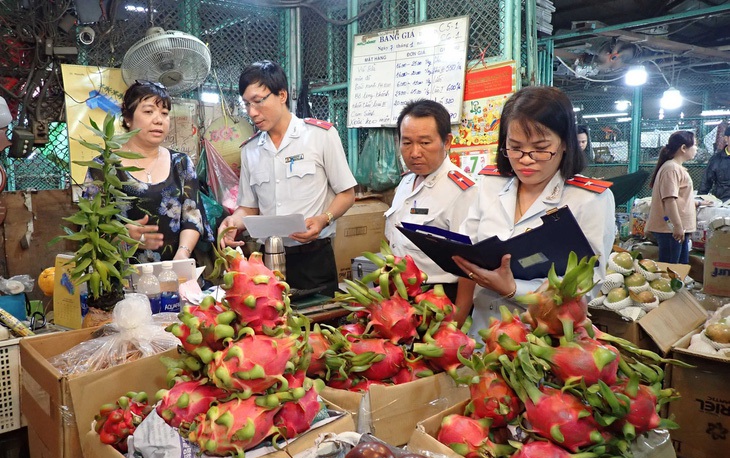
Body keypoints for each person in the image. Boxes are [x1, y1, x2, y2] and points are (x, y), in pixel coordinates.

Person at [452, 86, 616, 331]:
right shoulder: (489, 184)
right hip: (483, 333)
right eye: (515, 148)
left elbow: (586, 284)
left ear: (565, 144)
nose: (526, 159)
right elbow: (468, 246)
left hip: (540, 339)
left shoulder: (589, 199)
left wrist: (514, 290)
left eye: (540, 149)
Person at [218, 60, 356, 297]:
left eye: (259, 101)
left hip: (313, 259)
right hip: (265, 262)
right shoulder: (250, 150)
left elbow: (347, 193)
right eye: (247, 104)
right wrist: (233, 223)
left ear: (281, 95)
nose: (252, 112)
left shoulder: (320, 136)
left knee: (318, 330)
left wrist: (324, 218)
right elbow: (248, 208)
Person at [84, 80, 213, 263]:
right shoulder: (104, 167)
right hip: (123, 279)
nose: (159, 120)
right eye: (148, 111)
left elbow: (193, 217)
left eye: (164, 113)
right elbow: (90, 229)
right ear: (128, 118)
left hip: (177, 272)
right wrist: (122, 237)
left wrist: (182, 255)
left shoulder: (181, 164)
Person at [384, 99, 478, 302]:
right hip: (401, 294)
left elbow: (470, 260)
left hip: (438, 297)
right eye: (407, 143)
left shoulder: (461, 190)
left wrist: (459, 318)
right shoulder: (406, 183)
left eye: (425, 143)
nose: (415, 153)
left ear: (447, 142)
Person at [646, 130, 697, 264]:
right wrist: (677, 226)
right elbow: (669, 200)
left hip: (676, 229)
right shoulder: (671, 169)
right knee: (670, 270)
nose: (697, 149)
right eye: (695, 145)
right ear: (683, 148)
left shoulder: (676, 168)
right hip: (671, 230)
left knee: (680, 269)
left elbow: (679, 197)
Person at [699, 125, 730, 202]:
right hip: (722, 202)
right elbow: (706, 182)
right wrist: (700, 199)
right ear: (726, 138)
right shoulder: (716, 159)